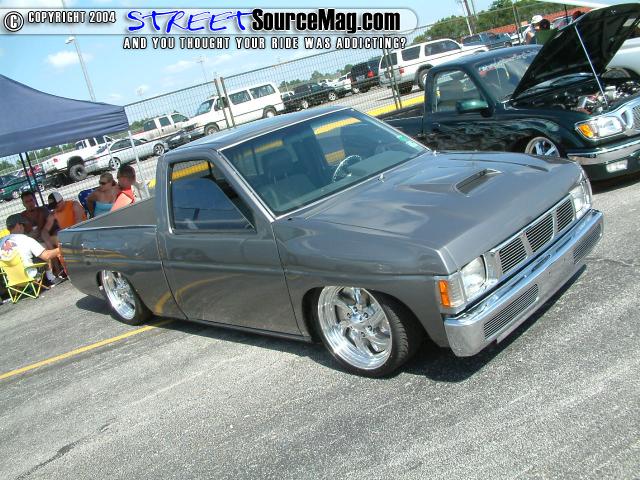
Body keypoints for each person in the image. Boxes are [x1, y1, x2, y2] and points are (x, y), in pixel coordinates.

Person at [1, 214, 61, 282]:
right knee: (43, 251)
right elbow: (47, 255)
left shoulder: (1, 242)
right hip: (29, 277)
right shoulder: (25, 239)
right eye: (23, 225)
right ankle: (51, 279)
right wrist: (61, 249)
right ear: (18, 225)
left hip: (12, 281)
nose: (24, 227)